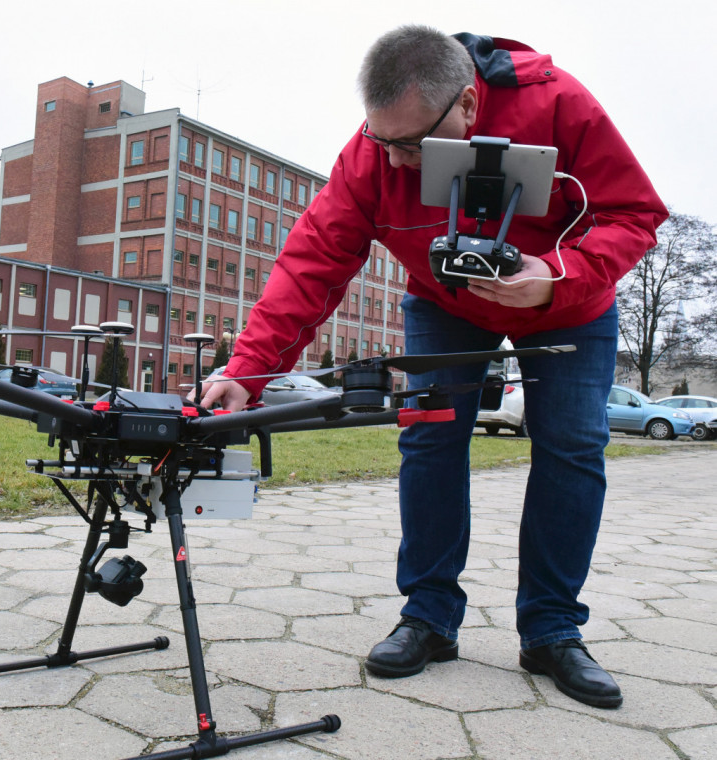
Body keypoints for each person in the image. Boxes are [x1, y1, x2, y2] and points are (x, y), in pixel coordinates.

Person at [193, 26, 667, 709]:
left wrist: (557, 275)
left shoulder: (563, 106)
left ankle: (552, 629)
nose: (397, 160)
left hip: (567, 304)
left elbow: (634, 212)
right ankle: (430, 614)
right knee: (429, 436)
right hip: (447, 305)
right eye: (383, 141)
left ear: (470, 106)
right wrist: (249, 369)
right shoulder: (372, 156)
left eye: (412, 145)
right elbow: (314, 260)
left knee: (573, 446)